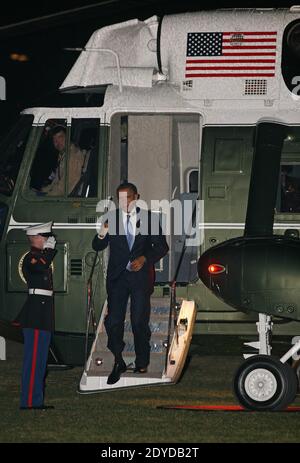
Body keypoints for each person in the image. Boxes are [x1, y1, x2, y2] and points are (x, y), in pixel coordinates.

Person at [92, 182, 169, 385]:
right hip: (117, 279)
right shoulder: (111, 217)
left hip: (140, 277)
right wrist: (102, 233)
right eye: (120, 198)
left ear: (136, 196)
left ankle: (142, 361)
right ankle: (118, 360)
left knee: (138, 321)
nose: (124, 202)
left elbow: (161, 247)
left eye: (128, 198)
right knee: (113, 321)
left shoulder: (149, 218)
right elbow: (98, 245)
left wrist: (144, 258)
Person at [16, 221, 57, 410]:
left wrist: (47, 253)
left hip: (43, 314)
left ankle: (37, 400)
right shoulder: (31, 257)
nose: (47, 240)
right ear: (34, 238)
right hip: (35, 315)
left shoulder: (40, 257)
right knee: (33, 360)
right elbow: (39, 268)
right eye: (44, 237)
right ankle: (29, 401)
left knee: (40, 360)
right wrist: (48, 252)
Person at [42, 126, 90, 196]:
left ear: (68, 137)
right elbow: (56, 182)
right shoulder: (63, 155)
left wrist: (45, 198)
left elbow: (63, 188)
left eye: (60, 137)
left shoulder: (73, 155)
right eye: (54, 140)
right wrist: (43, 190)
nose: (57, 142)